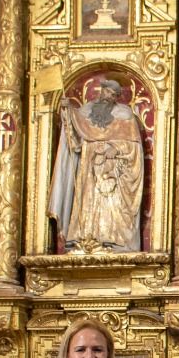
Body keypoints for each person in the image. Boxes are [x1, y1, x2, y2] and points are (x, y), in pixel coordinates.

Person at [49, 78, 145, 251]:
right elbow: (75, 144)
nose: (110, 97)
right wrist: (68, 114)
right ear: (101, 90)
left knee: (113, 204)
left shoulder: (124, 114)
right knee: (87, 200)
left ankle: (114, 239)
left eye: (114, 95)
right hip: (89, 169)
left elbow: (134, 146)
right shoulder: (84, 113)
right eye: (108, 92)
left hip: (114, 172)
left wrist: (116, 149)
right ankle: (83, 238)